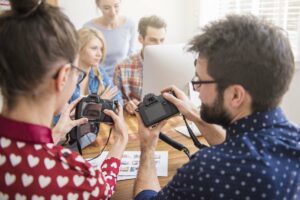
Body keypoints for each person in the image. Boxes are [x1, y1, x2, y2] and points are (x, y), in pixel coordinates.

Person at [133, 15, 300, 199]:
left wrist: (147, 150)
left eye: (200, 81)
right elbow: (238, 147)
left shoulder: (208, 169)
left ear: (235, 95)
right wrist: (195, 115)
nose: (196, 91)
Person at [0, 0, 128, 198]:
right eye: (78, 72)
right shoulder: (71, 174)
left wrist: (56, 133)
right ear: (64, 76)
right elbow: (103, 189)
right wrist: (119, 142)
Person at [114, 15, 167, 114]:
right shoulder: (122, 68)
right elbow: (115, 101)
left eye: (162, 40)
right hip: (137, 119)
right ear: (140, 39)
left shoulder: (170, 65)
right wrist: (127, 105)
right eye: (153, 40)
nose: (159, 45)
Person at [84, 0, 137, 78]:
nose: (113, 12)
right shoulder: (89, 28)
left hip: (122, 77)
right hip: (97, 78)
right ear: (98, 6)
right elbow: (85, 59)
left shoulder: (130, 25)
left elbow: (132, 55)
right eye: (106, 8)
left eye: (116, 6)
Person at [73, 27, 123, 104]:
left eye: (101, 49)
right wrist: (100, 102)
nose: (99, 54)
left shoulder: (99, 71)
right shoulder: (68, 76)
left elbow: (118, 100)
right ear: (79, 48)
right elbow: (65, 113)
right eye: (94, 48)